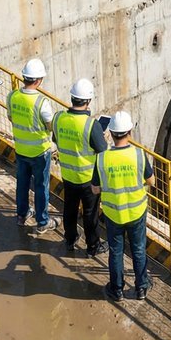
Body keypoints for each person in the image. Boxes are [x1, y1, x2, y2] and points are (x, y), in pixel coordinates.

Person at [92, 110, 154, 302]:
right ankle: (141, 288)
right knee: (138, 249)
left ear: (110, 133)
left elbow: (95, 189)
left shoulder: (102, 158)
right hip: (136, 212)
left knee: (116, 252)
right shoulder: (139, 155)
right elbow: (151, 181)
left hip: (113, 213)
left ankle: (116, 290)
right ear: (129, 132)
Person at [54, 78, 107, 256]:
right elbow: (102, 149)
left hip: (68, 174)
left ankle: (70, 239)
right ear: (88, 101)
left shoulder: (59, 118)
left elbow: (56, 139)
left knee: (69, 208)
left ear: (72, 98)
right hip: (87, 178)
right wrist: (100, 133)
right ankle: (92, 246)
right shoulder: (91, 125)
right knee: (90, 214)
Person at [9, 58, 56, 233]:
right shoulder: (41, 102)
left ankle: (21, 215)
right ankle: (42, 222)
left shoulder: (13, 96)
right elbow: (50, 125)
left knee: (22, 183)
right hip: (39, 152)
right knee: (41, 186)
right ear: (38, 80)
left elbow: (11, 117)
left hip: (21, 149)